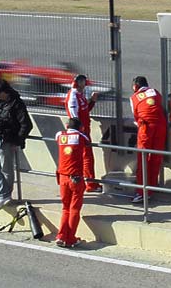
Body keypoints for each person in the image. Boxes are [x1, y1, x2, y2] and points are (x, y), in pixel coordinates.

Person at [0, 79, 33, 212]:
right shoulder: (1, 102)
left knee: (6, 169)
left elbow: (26, 124)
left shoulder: (17, 104)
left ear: (4, 92)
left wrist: (17, 141)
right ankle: (4, 194)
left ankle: (4, 196)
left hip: (7, 140)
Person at [129, 76, 167, 203]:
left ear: (135, 87)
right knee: (156, 158)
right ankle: (152, 187)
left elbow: (136, 116)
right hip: (161, 126)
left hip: (146, 128)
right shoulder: (155, 92)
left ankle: (142, 193)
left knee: (143, 159)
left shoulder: (134, 98)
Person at [55, 117, 89, 248]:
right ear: (80, 127)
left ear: (67, 125)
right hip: (75, 178)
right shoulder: (80, 136)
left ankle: (61, 236)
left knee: (65, 208)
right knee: (74, 209)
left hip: (62, 177)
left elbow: (58, 135)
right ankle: (70, 239)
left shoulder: (60, 135)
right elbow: (86, 140)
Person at [64, 74, 102, 193]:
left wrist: (92, 101)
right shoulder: (73, 96)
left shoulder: (80, 95)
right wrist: (79, 131)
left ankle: (88, 183)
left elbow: (85, 111)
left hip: (84, 131)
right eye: (83, 82)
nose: (85, 84)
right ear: (78, 82)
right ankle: (89, 184)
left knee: (87, 157)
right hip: (80, 133)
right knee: (85, 158)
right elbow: (73, 116)